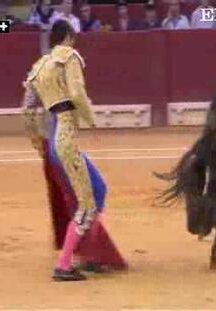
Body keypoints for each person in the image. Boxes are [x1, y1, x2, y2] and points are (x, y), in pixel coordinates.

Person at [21, 20, 127, 281]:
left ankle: (90, 254)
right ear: (68, 37)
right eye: (73, 37)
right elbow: (78, 93)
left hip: (56, 141)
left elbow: (26, 110)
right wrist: (90, 119)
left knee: (99, 189)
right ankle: (64, 265)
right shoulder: (69, 58)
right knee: (88, 206)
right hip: (67, 141)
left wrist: (37, 141)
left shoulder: (39, 67)